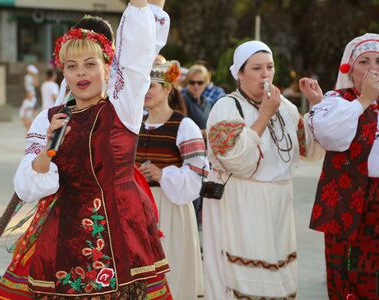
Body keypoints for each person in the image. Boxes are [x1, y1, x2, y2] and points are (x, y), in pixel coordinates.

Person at [0, 1, 171, 299]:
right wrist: (48, 149)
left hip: (121, 233)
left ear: (108, 67)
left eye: (90, 64)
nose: (81, 74)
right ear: (63, 72)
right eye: (71, 67)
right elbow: (27, 187)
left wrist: (142, 6)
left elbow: (138, 54)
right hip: (64, 237)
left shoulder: (121, 107)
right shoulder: (49, 118)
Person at [202, 40, 324, 299]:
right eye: (257, 68)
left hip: (278, 204)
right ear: (240, 73)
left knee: (276, 278)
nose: (266, 74)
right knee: (245, 281)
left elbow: (310, 150)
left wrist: (316, 106)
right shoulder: (227, 106)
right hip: (242, 203)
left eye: (269, 67)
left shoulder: (286, 108)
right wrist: (264, 116)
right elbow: (235, 159)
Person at [301, 33, 379, 300]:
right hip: (345, 200)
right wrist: (364, 100)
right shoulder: (336, 100)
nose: (372, 68)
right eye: (364, 61)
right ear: (350, 67)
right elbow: (332, 137)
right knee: (343, 277)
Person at [136, 60, 206, 299]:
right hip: (136, 207)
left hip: (169, 210)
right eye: (142, 85)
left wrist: (162, 173)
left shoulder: (184, 126)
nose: (145, 91)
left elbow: (197, 174)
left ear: (167, 88)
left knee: (170, 273)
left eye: (152, 86)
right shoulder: (134, 124)